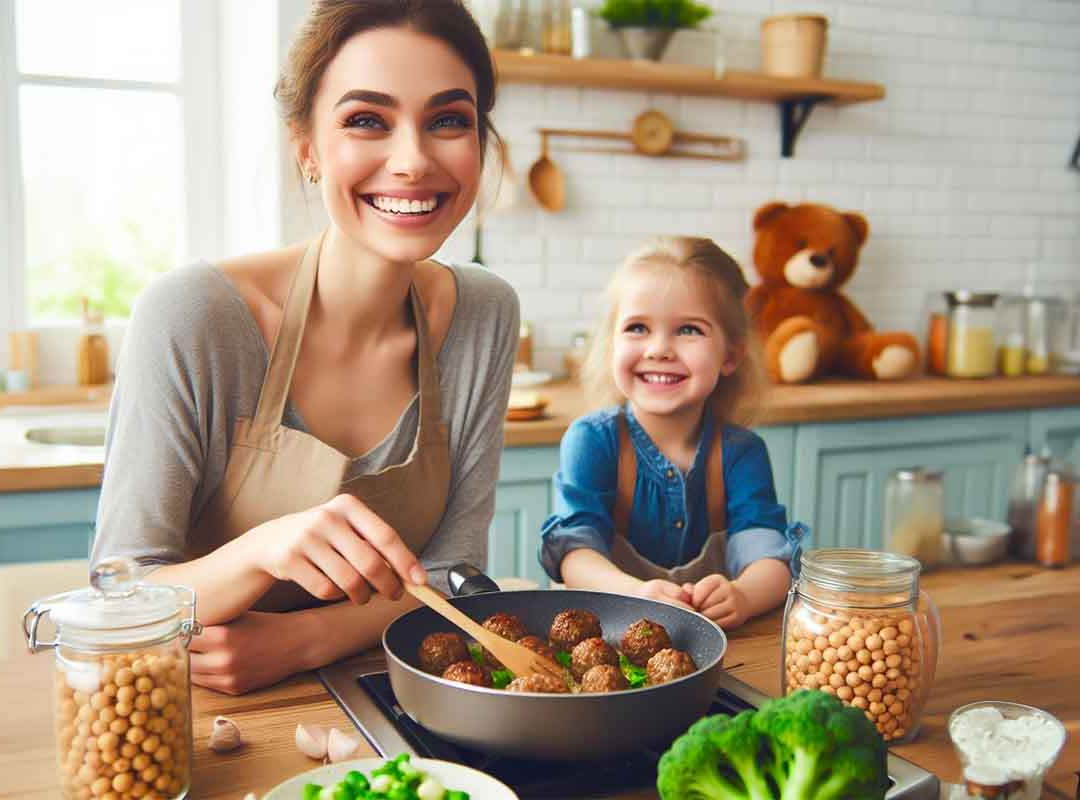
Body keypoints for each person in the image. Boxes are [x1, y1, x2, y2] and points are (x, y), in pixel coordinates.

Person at [92, 0, 519, 694]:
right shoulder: (195, 317)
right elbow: (120, 598)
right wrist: (265, 551)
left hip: (387, 693)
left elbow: (455, 575)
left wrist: (303, 640)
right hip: (196, 723)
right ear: (308, 147)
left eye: (448, 120)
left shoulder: (483, 313)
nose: (412, 160)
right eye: (365, 120)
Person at [538, 237, 804, 630]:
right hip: (604, 639)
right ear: (612, 345)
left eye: (688, 330)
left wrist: (744, 595)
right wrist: (635, 592)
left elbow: (771, 557)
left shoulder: (742, 453)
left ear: (730, 355)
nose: (659, 348)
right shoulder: (592, 441)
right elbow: (574, 553)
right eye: (638, 327)